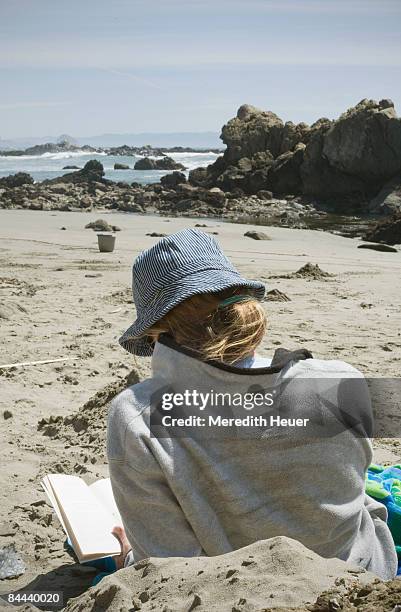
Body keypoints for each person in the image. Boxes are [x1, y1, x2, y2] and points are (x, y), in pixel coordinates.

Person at [107, 228, 397, 579]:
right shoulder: (339, 380)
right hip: (360, 574)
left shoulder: (138, 415)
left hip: (239, 590)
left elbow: (170, 570)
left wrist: (127, 558)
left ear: (156, 333)